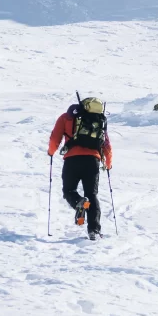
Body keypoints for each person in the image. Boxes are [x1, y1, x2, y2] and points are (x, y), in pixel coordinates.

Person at [47, 97, 113, 238]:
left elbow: (54, 138)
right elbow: (106, 144)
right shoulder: (99, 121)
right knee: (92, 194)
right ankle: (94, 230)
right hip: (93, 161)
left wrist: (51, 151)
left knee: (69, 190)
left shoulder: (67, 117)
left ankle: (79, 202)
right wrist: (108, 163)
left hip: (72, 160)